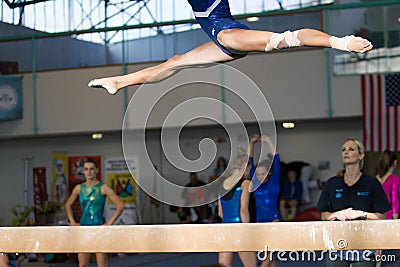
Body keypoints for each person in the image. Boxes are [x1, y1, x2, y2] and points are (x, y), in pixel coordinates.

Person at [88, 0, 373, 95]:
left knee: (286, 38)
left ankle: (337, 41)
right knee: (175, 61)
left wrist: (342, 43)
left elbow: (297, 36)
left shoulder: (231, 38)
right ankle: (118, 82)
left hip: (230, 38)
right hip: (223, 38)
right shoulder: (226, 37)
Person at [317, 138, 390, 267]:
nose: (346, 152)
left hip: (364, 245)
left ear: (361, 155)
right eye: (343, 149)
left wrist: (360, 214)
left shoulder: (372, 183)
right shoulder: (332, 183)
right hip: (337, 245)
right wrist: (338, 214)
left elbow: (381, 217)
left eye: (351, 149)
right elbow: (324, 216)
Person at [65, 158, 125, 267]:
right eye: (86, 169)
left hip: (99, 229)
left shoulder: (103, 188)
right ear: (83, 171)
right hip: (83, 229)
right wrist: (72, 222)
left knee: (102, 265)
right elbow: (68, 205)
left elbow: (120, 205)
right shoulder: (79, 188)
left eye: (92, 169)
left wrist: (109, 223)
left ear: (97, 170)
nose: (89, 172)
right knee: (83, 265)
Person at [218, 149, 256, 267]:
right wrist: (247, 230)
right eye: (249, 168)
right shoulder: (245, 183)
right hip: (240, 229)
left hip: (225, 230)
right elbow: (243, 210)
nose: (249, 172)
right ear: (245, 166)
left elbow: (220, 213)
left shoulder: (222, 183)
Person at [248, 134, 280, 267]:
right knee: (271, 259)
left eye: (263, 174)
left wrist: (268, 141)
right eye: (258, 174)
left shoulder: (274, 181)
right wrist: (251, 144)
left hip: (274, 220)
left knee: (267, 256)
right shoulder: (255, 184)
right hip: (260, 221)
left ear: (269, 173)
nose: (260, 176)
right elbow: (250, 161)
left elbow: (276, 159)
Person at [376, 149, 399, 220]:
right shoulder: (394, 179)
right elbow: (394, 200)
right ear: (395, 162)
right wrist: (395, 216)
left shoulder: (375, 178)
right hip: (388, 214)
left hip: (376, 213)